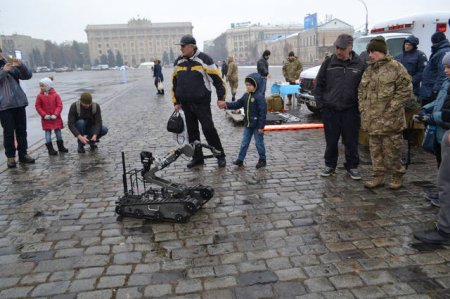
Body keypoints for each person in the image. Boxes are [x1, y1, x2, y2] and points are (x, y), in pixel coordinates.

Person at [358, 36, 413, 190]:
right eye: (369, 51)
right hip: (372, 120)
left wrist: (391, 109)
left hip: (390, 121)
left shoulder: (396, 67)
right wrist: (362, 108)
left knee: (392, 151)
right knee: (375, 151)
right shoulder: (369, 70)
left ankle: (397, 175)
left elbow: (405, 90)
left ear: (382, 52)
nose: (370, 54)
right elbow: (361, 91)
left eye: (373, 51)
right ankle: (378, 176)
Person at [314, 33, 366, 180]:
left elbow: (366, 88)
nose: (339, 51)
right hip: (331, 110)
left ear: (350, 47)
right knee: (331, 141)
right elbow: (319, 85)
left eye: (342, 48)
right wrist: (321, 107)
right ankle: (330, 165)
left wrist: (360, 107)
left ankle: (352, 166)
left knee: (351, 141)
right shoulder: (328, 63)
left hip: (351, 110)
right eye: (337, 47)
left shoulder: (360, 64)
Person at [171, 34, 227, 168]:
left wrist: (221, 99)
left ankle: (220, 155)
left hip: (201, 103)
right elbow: (175, 82)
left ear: (192, 46)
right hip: (186, 104)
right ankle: (198, 157)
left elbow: (218, 80)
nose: (181, 49)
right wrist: (176, 102)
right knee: (192, 132)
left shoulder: (204, 59)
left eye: (183, 46)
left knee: (208, 129)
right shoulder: (178, 62)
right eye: (181, 47)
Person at [414, 57, 450, 244]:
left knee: (446, 184)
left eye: (448, 67)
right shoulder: (447, 83)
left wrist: (431, 118)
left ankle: (445, 231)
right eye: (444, 66)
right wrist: (426, 110)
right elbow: (441, 104)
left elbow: (446, 113)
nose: (445, 70)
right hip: (442, 134)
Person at [218, 73, 267, 169]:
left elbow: (262, 113)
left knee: (259, 143)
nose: (248, 87)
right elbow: (237, 104)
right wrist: (226, 104)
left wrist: (261, 127)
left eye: (250, 85)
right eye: (247, 85)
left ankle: (262, 159)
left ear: (256, 85)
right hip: (248, 124)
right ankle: (240, 159)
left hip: (257, 126)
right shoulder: (245, 96)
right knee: (244, 143)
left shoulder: (260, 97)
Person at [0, 48, 36, 168]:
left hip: (19, 102)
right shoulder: (5, 67)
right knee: (9, 133)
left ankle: (23, 154)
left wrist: (20, 65)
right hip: (4, 106)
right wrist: (3, 71)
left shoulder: (10, 63)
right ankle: (10, 158)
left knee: (22, 131)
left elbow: (27, 75)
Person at [35, 77, 68, 155]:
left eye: (42, 86)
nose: (41, 88)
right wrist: (44, 115)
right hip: (46, 119)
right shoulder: (39, 96)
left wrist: (55, 114)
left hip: (55, 118)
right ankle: (50, 149)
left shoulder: (55, 95)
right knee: (48, 134)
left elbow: (59, 105)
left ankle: (61, 147)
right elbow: (38, 106)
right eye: (40, 86)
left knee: (58, 132)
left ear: (48, 86)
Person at [419, 31, 450, 106]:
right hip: (429, 90)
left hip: (432, 91)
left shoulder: (443, 52)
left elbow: (443, 74)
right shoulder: (440, 50)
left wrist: (436, 91)